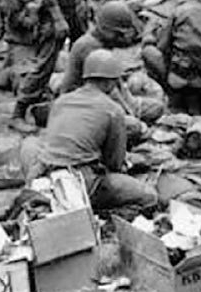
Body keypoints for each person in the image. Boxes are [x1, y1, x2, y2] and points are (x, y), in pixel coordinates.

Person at [26, 49, 159, 216]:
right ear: (110, 82)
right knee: (149, 197)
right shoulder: (111, 110)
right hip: (82, 180)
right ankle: (102, 213)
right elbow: (114, 163)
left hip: (45, 173)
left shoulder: (61, 102)